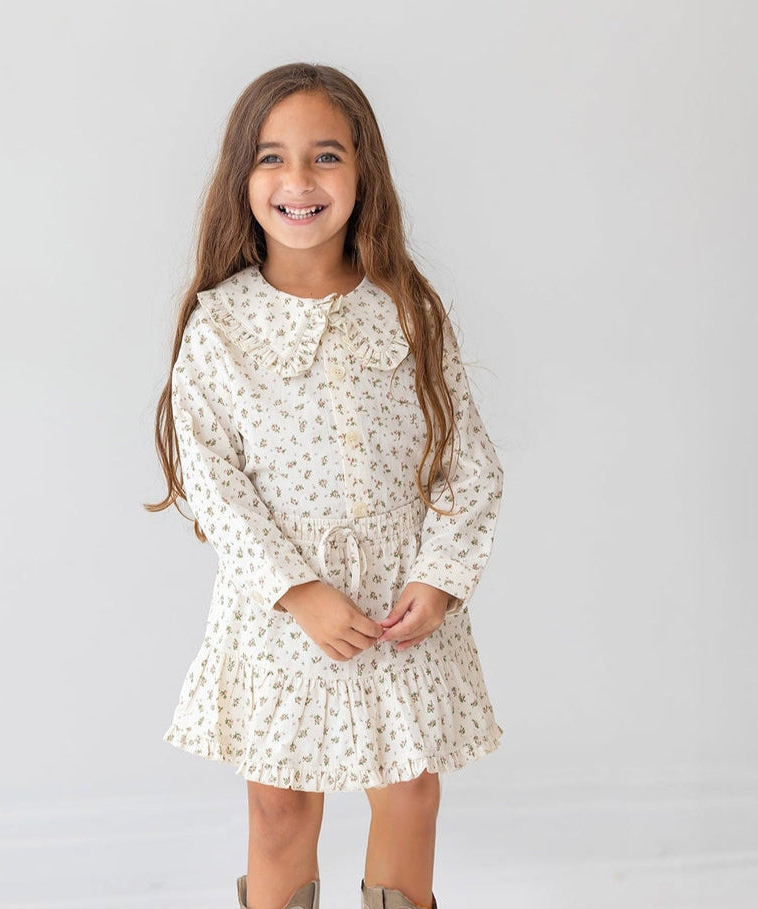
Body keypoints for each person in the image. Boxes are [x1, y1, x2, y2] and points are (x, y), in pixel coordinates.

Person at [146, 62, 505, 909]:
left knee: (410, 790)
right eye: (272, 157)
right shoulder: (221, 324)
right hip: (280, 611)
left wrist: (440, 578)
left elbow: (469, 462)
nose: (299, 180)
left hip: (398, 609)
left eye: (326, 156)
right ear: (242, 179)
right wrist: (297, 589)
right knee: (279, 804)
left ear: (363, 171)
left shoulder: (409, 308)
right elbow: (214, 481)